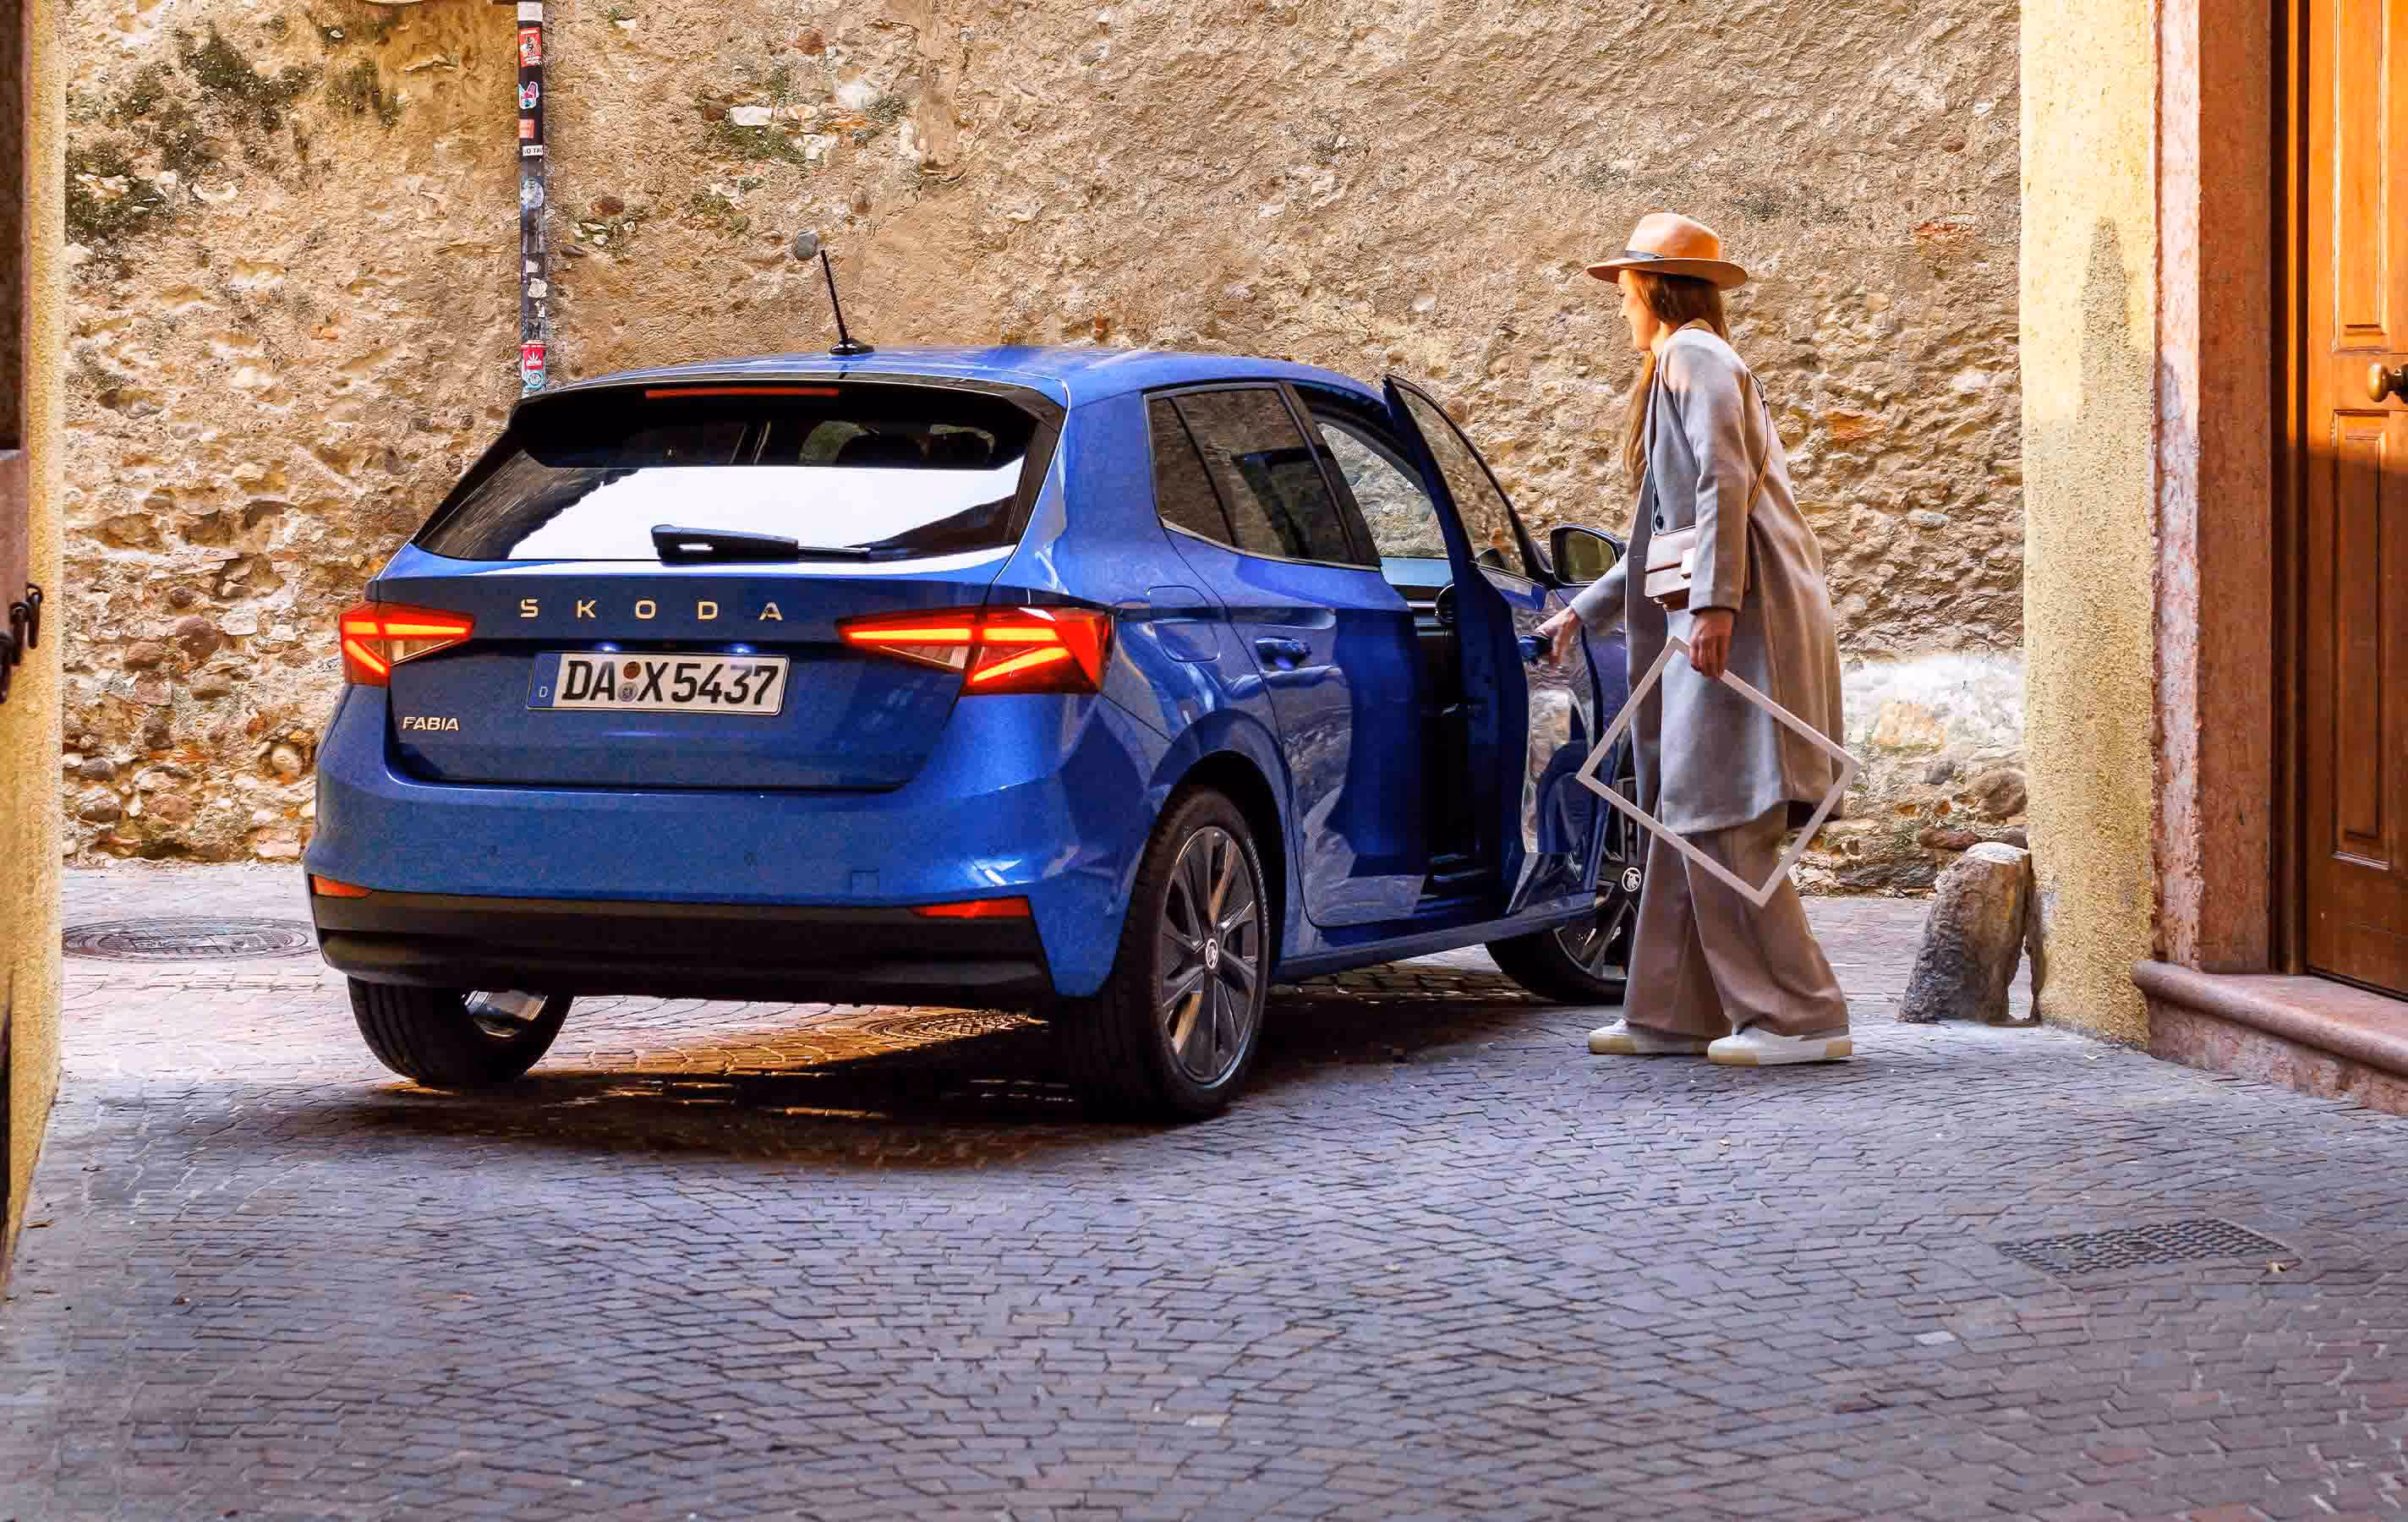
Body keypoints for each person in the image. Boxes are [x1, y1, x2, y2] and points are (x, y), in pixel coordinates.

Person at [1535, 212, 1853, 1066]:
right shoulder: (1687, 361)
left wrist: (1713, 606)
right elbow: (1657, 528)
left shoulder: (1693, 356)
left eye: (1625, 295)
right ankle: (1674, 1013)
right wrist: (1586, 608)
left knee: (1718, 818)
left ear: (1652, 291)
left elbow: (1724, 481)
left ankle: (1801, 1017)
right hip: (1717, 615)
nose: (1621, 313)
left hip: (1741, 623)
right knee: (1685, 816)